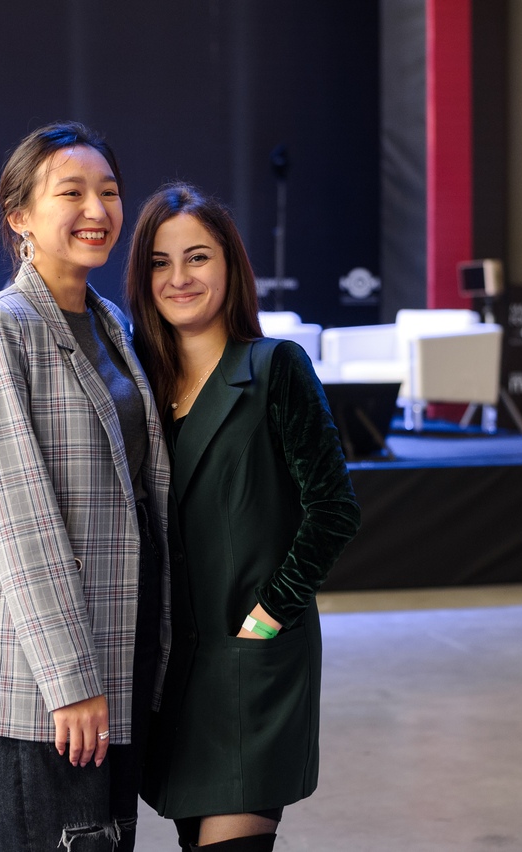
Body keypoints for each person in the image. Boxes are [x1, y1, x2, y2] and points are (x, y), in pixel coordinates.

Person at [0, 122, 171, 852]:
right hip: (43, 670)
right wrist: (71, 679)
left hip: (122, 645)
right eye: (71, 193)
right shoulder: (0, 325)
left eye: (109, 191)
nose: (97, 210)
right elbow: (18, 515)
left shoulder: (111, 324)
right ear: (20, 217)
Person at [124, 183, 361, 851]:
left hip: (251, 658)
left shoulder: (274, 367)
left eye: (197, 257)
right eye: (161, 262)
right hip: (173, 673)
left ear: (231, 265)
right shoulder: (139, 388)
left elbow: (334, 509)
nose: (179, 277)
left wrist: (271, 612)